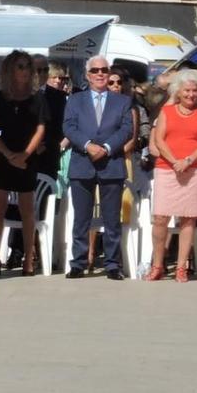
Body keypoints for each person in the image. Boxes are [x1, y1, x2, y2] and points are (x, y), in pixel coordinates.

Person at [63, 57, 134, 279]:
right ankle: (78, 263)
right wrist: (87, 145)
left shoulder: (121, 101)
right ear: (87, 75)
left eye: (104, 70)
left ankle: (113, 265)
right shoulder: (75, 100)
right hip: (82, 162)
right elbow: (69, 126)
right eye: (95, 70)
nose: (100, 74)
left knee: (112, 218)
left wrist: (106, 147)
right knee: (81, 218)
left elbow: (126, 130)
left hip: (110, 162)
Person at [145, 69, 197, 282]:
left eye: (195, 91)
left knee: (188, 219)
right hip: (167, 168)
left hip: (195, 169)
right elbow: (159, 140)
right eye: (187, 90)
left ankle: (182, 267)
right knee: (160, 218)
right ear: (178, 91)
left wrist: (188, 161)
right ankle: (158, 265)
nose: (191, 95)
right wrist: (175, 160)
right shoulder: (167, 112)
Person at [0, 50, 46, 276]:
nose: (25, 70)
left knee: (27, 208)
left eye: (27, 66)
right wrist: (9, 155)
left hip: (27, 156)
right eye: (20, 66)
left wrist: (25, 155)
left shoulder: (37, 98)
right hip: (3, 155)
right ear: (11, 69)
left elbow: (41, 128)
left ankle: (29, 259)